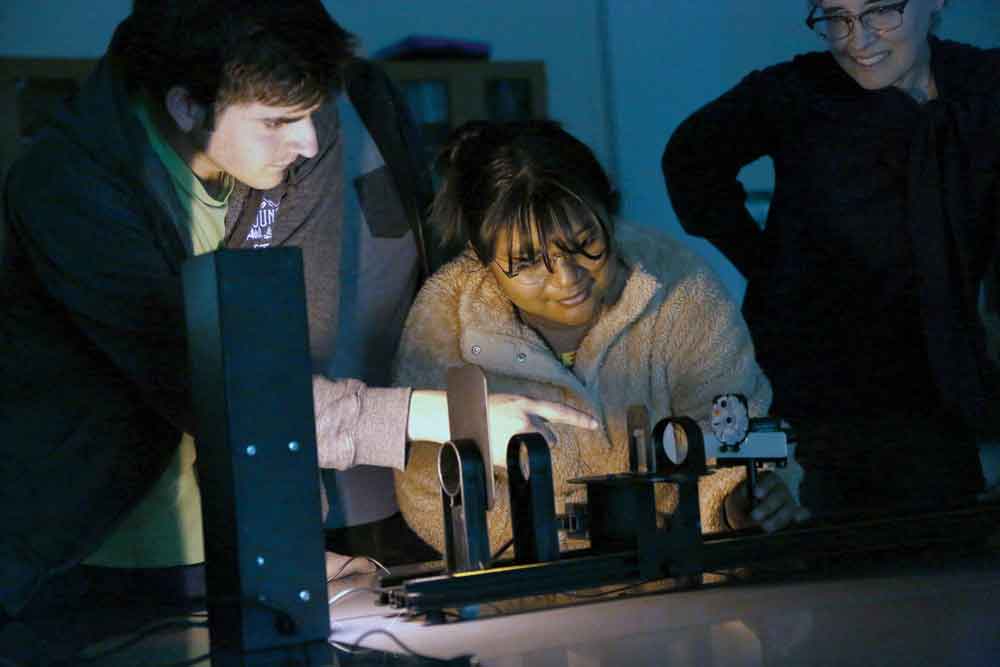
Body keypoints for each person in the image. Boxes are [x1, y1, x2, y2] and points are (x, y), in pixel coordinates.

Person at [0, 0, 595, 642]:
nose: (308, 142)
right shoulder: (68, 187)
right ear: (185, 106)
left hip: (234, 547)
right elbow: (218, 391)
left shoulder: (295, 148)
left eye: (315, 113)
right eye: (279, 121)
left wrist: (293, 546)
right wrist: (441, 414)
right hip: (89, 559)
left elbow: (284, 359)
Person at [392, 120, 809, 556]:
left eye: (586, 243)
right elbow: (429, 491)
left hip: (682, 587)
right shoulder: (445, 324)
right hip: (527, 606)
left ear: (609, 211)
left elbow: (739, 425)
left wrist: (739, 503)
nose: (568, 279)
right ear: (480, 256)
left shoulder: (681, 288)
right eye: (529, 262)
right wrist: (541, 554)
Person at [663, 0, 1000, 517]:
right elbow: (689, 159)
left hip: (936, 390)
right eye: (834, 16)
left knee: (938, 555)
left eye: (880, 11)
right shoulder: (797, 92)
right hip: (810, 389)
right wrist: (764, 261)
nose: (856, 39)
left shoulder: (982, 85)